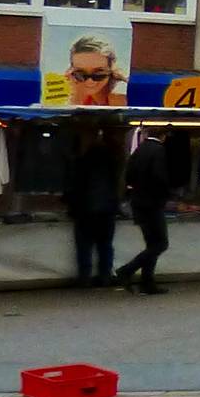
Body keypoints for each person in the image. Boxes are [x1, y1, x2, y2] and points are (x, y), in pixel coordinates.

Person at [113, 131, 174, 294]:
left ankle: (147, 282)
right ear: (163, 136)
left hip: (138, 202)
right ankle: (126, 270)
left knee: (151, 244)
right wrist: (166, 194)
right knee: (161, 243)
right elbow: (159, 176)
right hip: (153, 203)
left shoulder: (139, 150)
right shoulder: (158, 150)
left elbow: (129, 175)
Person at [64, 126, 124, 288]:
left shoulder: (81, 163)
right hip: (107, 210)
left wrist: (70, 206)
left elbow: (73, 187)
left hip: (85, 211)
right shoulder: (113, 164)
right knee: (105, 245)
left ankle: (84, 277)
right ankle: (104, 276)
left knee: (84, 246)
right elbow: (116, 187)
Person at [64, 36, 124, 107]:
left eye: (99, 74)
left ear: (111, 70)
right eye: (81, 74)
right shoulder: (68, 88)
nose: (90, 81)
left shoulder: (118, 95)